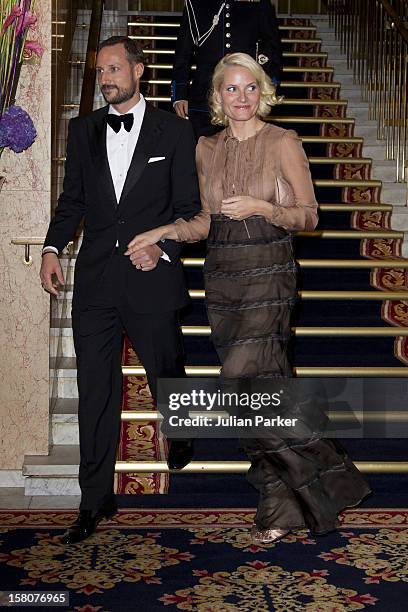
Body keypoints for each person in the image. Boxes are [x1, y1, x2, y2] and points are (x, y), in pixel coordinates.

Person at [127, 52, 372, 544]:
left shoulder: (284, 141)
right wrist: (161, 232)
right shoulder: (205, 149)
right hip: (223, 279)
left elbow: (309, 216)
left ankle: (332, 473)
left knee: (241, 386)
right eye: (231, 89)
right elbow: (203, 221)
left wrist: (265, 206)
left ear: (263, 92)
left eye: (250, 88)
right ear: (217, 97)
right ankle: (280, 506)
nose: (241, 97)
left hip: (270, 275)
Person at [39, 36, 200, 544]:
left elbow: (190, 208)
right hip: (96, 283)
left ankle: (178, 429)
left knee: (166, 369)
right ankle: (94, 499)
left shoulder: (175, 131)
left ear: (139, 69)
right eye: (100, 70)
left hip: (154, 277)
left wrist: (163, 250)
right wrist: (50, 248)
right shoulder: (82, 129)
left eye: (113, 68)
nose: (105, 77)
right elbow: (72, 201)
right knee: (97, 391)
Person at [172, 0, 281, 138]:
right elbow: (182, 54)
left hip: (243, 97)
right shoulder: (195, 5)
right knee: (203, 151)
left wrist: (266, 88)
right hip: (204, 95)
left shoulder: (257, 4)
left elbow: (271, 50)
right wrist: (179, 94)